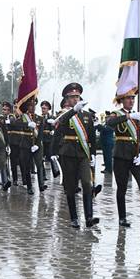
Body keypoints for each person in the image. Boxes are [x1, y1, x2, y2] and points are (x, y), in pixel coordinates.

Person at [105, 93, 140, 227]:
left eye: (133, 98)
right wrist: (128, 117)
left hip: (136, 155)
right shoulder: (116, 114)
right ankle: (122, 218)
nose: (131, 101)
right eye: (128, 98)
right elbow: (109, 123)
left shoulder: (139, 116)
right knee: (122, 187)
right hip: (121, 155)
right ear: (122, 100)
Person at [51, 83, 99, 228]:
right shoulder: (63, 115)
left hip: (83, 154)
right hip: (68, 153)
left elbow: (91, 137)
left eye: (77, 96)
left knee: (87, 183)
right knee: (70, 187)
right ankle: (74, 217)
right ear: (67, 99)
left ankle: (89, 217)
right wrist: (52, 153)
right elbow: (60, 126)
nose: (75, 99)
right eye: (72, 97)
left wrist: (93, 154)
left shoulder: (87, 116)